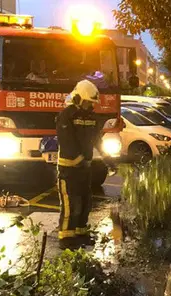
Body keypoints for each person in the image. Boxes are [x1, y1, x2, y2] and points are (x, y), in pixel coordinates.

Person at [56, 80, 105, 249]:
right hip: (69, 169)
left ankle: (80, 233)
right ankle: (66, 237)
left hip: (85, 168)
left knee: (85, 202)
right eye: (88, 102)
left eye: (92, 103)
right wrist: (79, 160)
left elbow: (96, 139)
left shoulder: (91, 117)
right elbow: (66, 141)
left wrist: (107, 158)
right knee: (71, 204)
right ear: (78, 99)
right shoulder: (66, 115)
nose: (90, 106)